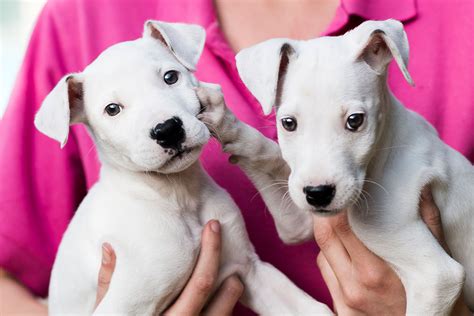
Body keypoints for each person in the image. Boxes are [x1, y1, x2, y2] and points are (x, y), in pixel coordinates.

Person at [0, 0, 472, 314]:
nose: (161, 118)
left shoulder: (453, 20)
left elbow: (255, 271)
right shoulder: (81, 16)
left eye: (169, 80)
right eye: (114, 110)